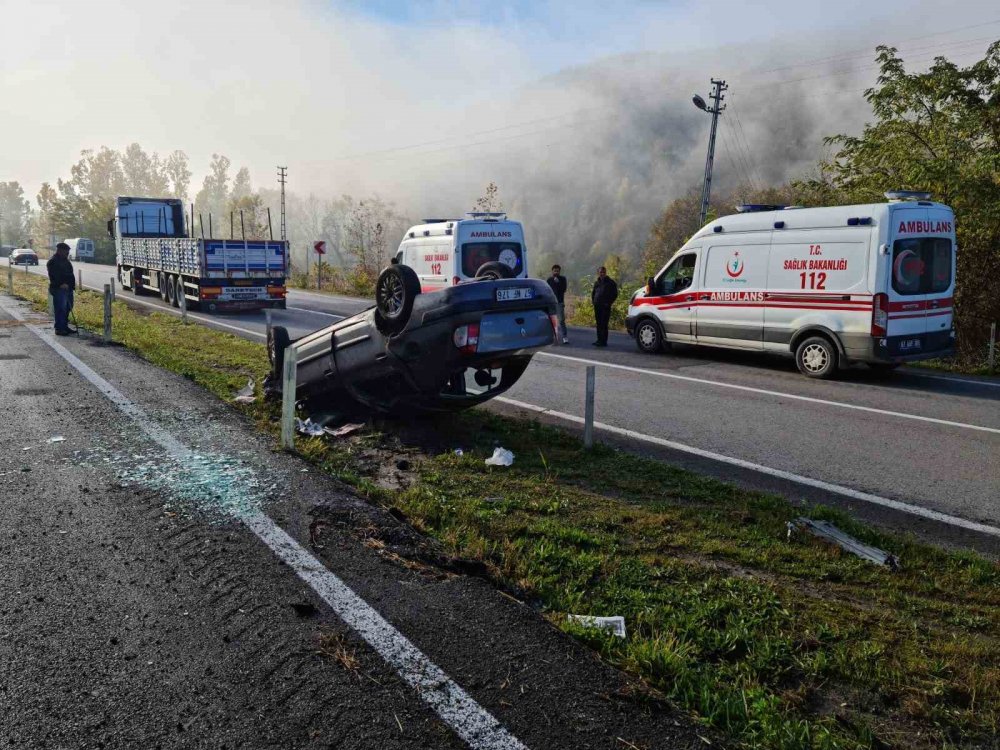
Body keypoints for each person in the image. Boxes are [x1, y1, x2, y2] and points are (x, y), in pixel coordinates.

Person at [47, 242, 75, 336]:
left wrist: (70, 285)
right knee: (60, 308)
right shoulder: (53, 261)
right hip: (59, 288)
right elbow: (54, 275)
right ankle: (59, 328)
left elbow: (70, 273)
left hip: (68, 288)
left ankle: (64, 326)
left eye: (68, 251)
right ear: (60, 250)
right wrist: (61, 284)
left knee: (68, 307)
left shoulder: (65, 261)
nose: (67, 253)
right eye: (66, 251)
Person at [590, 266, 618, 347]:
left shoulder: (611, 282)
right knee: (598, 324)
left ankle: (604, 341)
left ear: (605, 273)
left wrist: (608, 303)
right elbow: (593, 293)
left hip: (605, 307)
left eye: (603, 272)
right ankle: (599, 340)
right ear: (598, 273)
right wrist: (594, 302)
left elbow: (615, 294)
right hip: (597, 306)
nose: (602, 274)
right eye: (600, 272)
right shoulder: (597, 283)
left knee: (604, 324)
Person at [546, 264, 569, 344]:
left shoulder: (563, 279)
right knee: (552, 321)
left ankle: (565, 337)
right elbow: (547, 291)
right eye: (555, 271)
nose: (556, 272)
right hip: (551, 303)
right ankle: (553, 337)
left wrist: (558, 282)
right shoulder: (549, 280)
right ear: (552, 271)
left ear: (559, 271)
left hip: (559, 302)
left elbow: (564, 289)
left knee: (561, 320)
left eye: (557, 271)